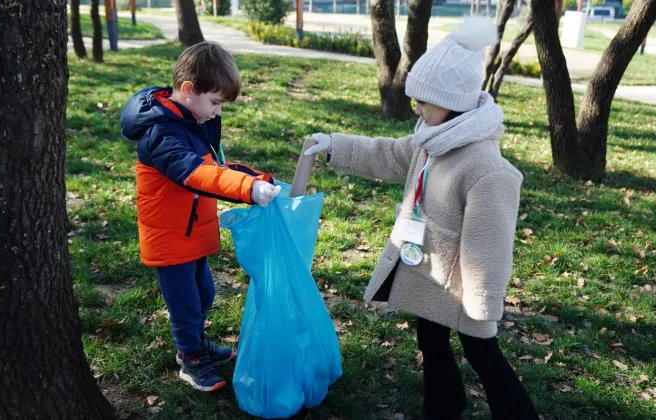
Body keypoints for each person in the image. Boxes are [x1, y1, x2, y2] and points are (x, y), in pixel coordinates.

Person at [303, 17, 539, 419]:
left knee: (483, 353)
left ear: (453, 102)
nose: (416, 107)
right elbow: (388, 154)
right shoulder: (431, 139)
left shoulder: (487, 168)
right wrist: (335, 147)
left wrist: (483, 302)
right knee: (430, 339)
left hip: (466, 285)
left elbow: (490, 243)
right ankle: (444, 405)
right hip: (429, 271)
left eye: (424, 100)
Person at [120, 41, 280, 392]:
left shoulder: (191, 121)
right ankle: (190, 359)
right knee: (185, 302)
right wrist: (245, 190)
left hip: (190, 231)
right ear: (188, 90)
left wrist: (257, 181)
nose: (218, 113)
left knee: (204, 293)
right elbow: (196, 173)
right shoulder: (162, 133)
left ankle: (194, 343)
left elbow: (216, 168)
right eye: (215, 103)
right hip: (170, 235)